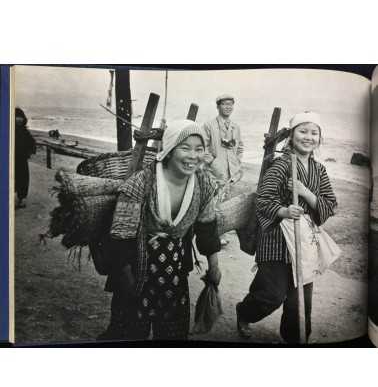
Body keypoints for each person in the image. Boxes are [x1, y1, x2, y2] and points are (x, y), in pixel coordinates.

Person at [99, 119, 222, 341]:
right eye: (185, 148)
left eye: (199, 149)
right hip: (136, 266)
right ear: (170, 149)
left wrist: (214, 265)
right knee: (128, 330)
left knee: (172, 333)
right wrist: (126, 279)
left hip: (174, 269)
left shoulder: (204, 184)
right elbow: (121, 234)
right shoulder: (142, 182)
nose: (193, 156)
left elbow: (207, 228)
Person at [236, 112, 337, 344]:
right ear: (292, 135)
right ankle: (245, 312)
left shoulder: (319, 170)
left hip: (305, 242)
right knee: (271, 295)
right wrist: (283, 211)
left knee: (300, 302)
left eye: (314, 133)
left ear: (319, 139)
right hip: (276, 240)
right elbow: (263, 200)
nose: (308, 137)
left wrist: (306, 193)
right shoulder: (281, 165)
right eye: (303, 131)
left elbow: (330, 205)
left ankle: (295, 341)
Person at [202, 94, 244, 245]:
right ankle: (209, 233)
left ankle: (219, 233)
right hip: (213, 171)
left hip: (230, 172)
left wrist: (237, 163)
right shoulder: (209, 125)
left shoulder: (235, 127)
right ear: (218, 106)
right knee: (211, 201)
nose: (228, 107)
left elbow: (240, 147)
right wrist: (212, 162)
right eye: (225, 104)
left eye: (231, 104)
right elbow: (203, 146)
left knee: (224, 202)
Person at [14, 107, 36, 209]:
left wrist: (30, 152)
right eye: (16, 117)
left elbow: (32, 143)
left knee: (23, 178)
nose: (19, 119)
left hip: (22, 159)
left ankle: (22, 198)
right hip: (11, 159)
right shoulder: (8, 130)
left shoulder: (25, 131)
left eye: (20, 117)